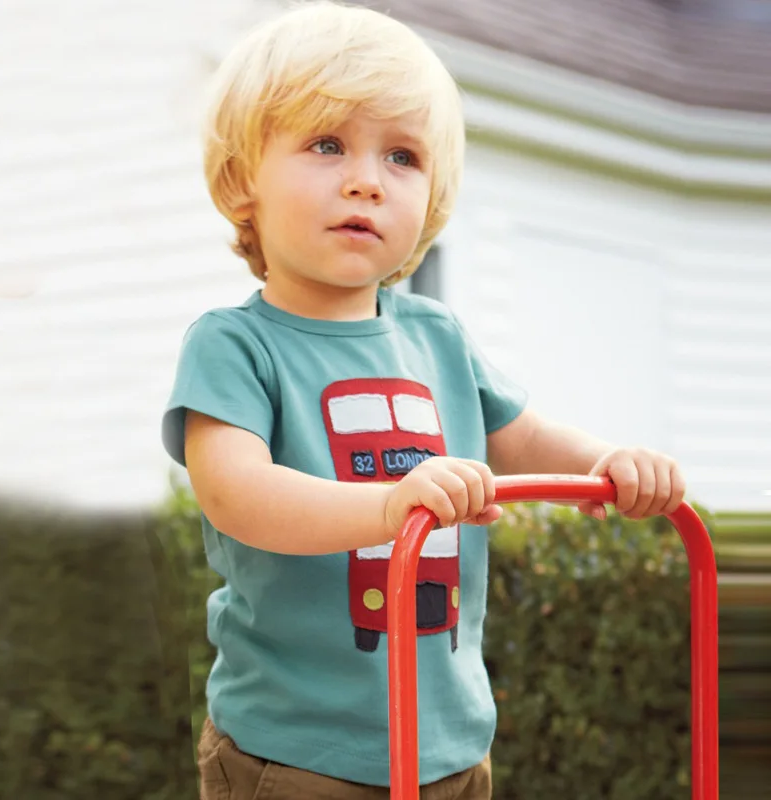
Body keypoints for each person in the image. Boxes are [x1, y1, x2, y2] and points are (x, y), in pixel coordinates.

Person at [160, 2, 686, 797]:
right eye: (327, 144)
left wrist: (606, 462)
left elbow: (523, 436)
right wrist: (386, 508)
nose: (367, 179)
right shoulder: (235, 346)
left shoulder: (439, 336)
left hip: (447, 743)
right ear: (243, 182)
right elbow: (237, 494)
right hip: (299, 752)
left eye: (401, 156)